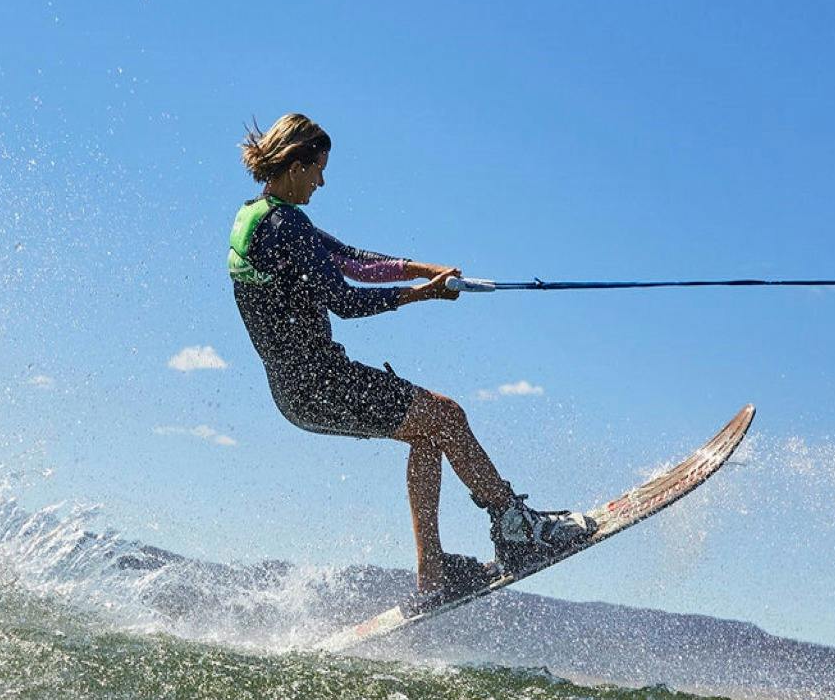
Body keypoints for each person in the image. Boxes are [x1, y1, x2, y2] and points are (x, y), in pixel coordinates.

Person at [227, 113, 592, 601]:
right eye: (318, 168)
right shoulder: (285, 228)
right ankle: (517, 531)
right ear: (295, 165)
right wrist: (423, 294)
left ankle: (433, 575)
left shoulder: (259, 217)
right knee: (447, 415)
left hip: (297, 393)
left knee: (430, 432)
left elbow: (353, 259)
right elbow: (347, 299)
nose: (322, 180)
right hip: (323, 384)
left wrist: (428, 269)